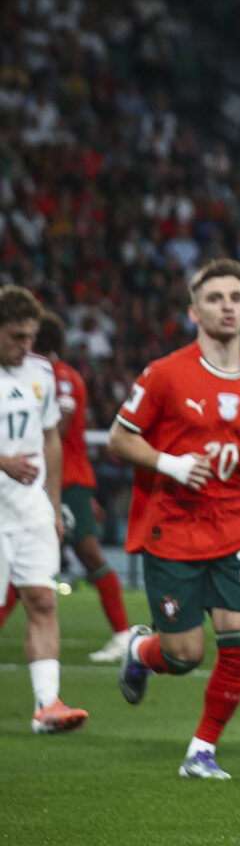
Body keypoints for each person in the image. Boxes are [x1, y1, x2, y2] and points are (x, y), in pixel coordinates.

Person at [108, 260, 240, 776]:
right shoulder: (165, 374)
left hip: (237, 523)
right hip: (172, 525)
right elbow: (119, 438)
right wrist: (171, 463)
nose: (227, 306)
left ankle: (202, 749)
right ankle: (142, 649)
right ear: (194, 311)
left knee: (238, 635)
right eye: (216, 297)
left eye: (236, 297)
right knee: (184, 655)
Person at [0, 288, 83, 734]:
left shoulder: (41, 373)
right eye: (16, 337)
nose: (26, 346)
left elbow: (51, 438)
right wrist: (2, 461)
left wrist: (54, 504)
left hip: (30, 508)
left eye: (30, 336)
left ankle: (47, 706)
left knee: (43, 600)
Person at [36, 315, 134, 663]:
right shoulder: (43, 375)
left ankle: (124, 634)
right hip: (51, 478)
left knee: (89, 554)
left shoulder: (59, 377)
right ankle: (123, 634)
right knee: (25, 559)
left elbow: (58, 431)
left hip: (65, 479)